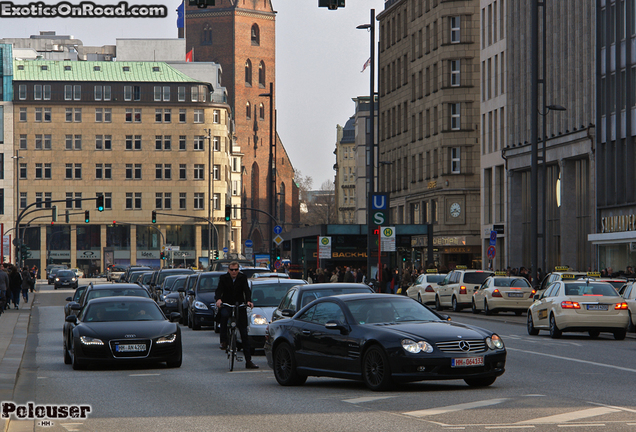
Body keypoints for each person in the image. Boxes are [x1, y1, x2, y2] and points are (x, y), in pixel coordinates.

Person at [215, 261, 259, 369]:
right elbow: (219, 290)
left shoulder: (243, 278)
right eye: (231, 270)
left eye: (236, 270)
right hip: (227, 304)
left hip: (240, 305)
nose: (234, 272)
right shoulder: (223, 278)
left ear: (238, 270)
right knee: (224, 317)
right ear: (228, 270)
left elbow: (246, 290)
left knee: (244, 333)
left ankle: (248, 360)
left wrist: (248, 301)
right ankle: (224, 341)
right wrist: (219, 299)